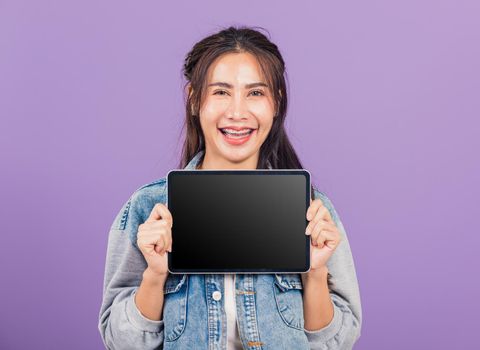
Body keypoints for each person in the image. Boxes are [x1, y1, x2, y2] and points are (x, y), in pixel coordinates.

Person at [98, 26, 362, 350]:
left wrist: (315, 272)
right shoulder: (148, 209)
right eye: (221, 92)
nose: (237, 113)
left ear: (276, 103)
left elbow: (335, 342)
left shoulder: (311, 211)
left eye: (255, 93)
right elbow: (121, 343)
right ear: (194, 99)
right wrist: (155, 274)